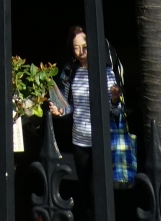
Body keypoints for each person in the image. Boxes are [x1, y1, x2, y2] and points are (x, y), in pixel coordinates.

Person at [50, 26, 122, 221]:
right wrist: (61, 111)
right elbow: (72, 106)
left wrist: (115, 99)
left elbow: (116, 111)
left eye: (85, 47)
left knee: (100, 191)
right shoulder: (72, 71)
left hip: (101, 141)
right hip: (79, 141)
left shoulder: (105, 72)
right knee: (86, 192)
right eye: (76, 47)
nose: (80, 52)